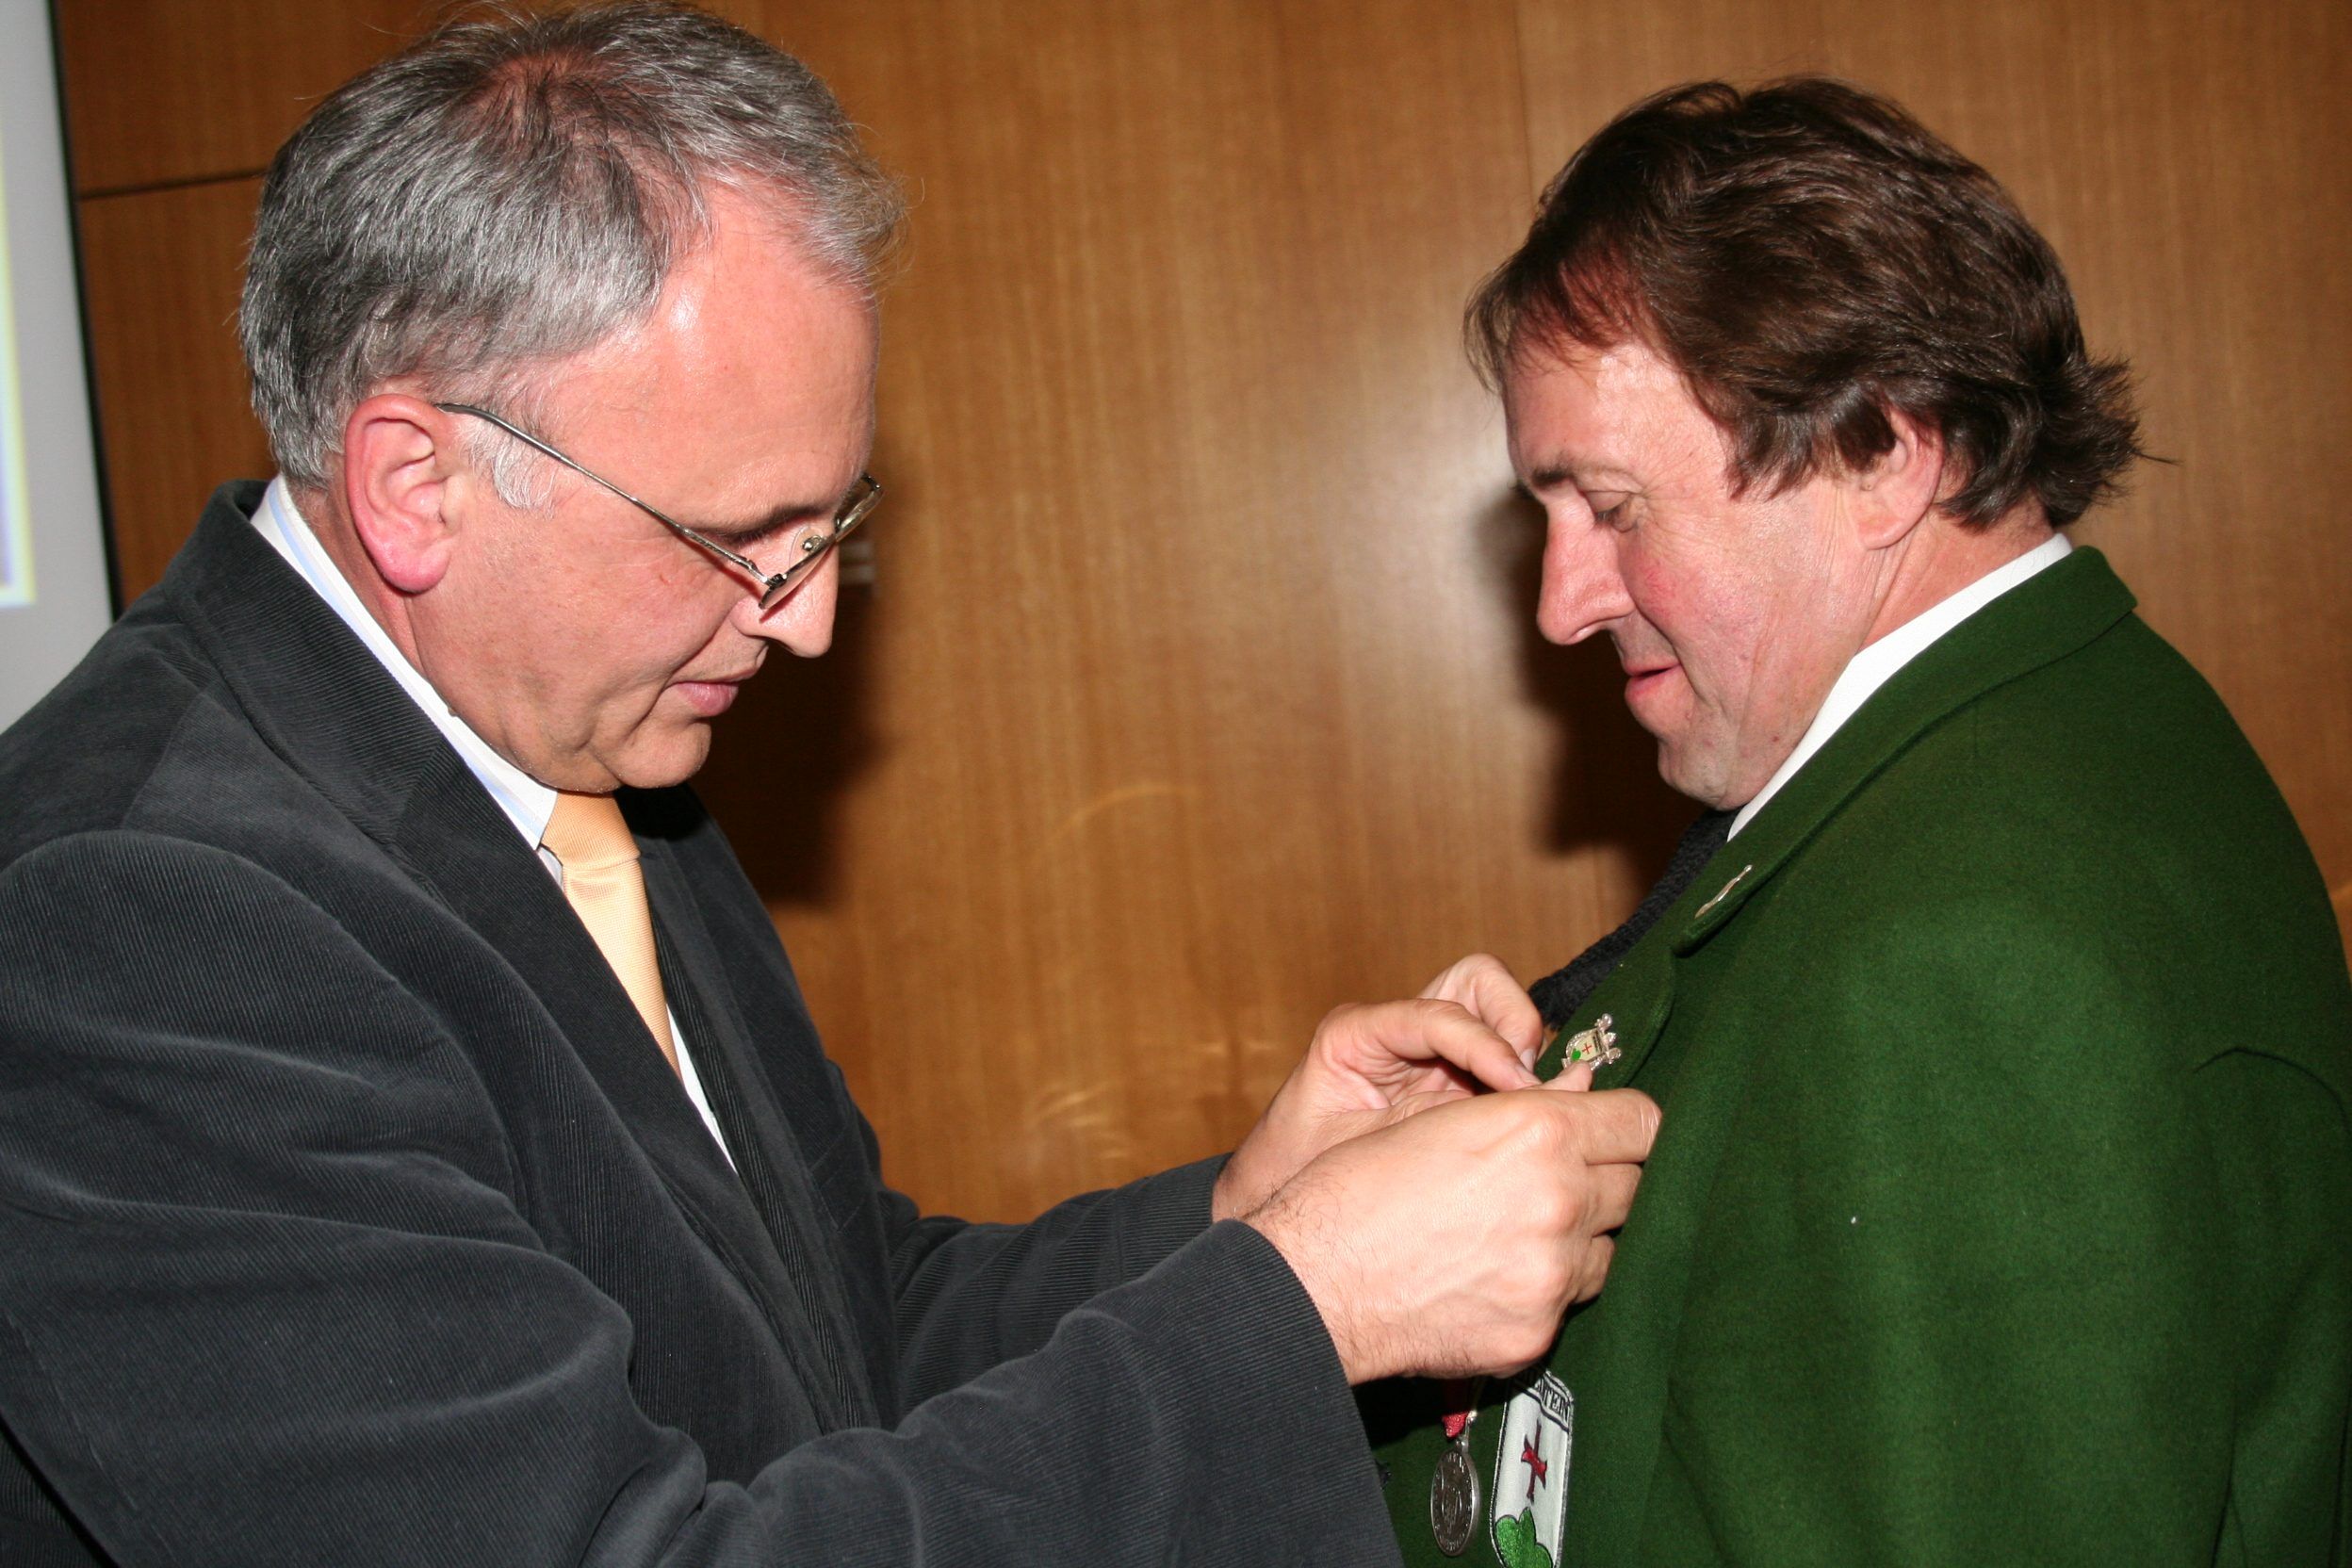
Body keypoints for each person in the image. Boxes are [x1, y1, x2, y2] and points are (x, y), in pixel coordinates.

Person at [0, 8, 1664, 1564]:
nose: (802, 625)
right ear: (414, 484)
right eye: (741, 537)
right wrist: (1304, 1310)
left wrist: (1251, 1214)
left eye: (831, 530)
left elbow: (849, 1340)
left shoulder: (585, 744)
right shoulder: (126, 924)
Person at [1366, 78, 2352, 1567]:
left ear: (1885, 453)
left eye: (1613, 507)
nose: (1562, 603)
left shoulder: (1975, 948)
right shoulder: (2009, 744)